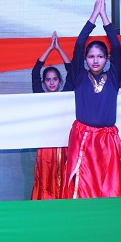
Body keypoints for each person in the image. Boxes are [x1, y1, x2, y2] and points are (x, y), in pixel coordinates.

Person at [62, 0, 121, 199]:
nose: (95, 60)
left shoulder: (113, 78)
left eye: (100, 56)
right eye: (91, 56)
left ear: (106, 59)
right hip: (83, 137)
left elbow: (116, 47)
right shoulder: (79, 77)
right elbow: (78, 45)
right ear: (86, 59)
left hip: (107, 140)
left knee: (108, 188)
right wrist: (93, 16)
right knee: (82, 188)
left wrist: (105, 18)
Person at [30, 32, 73, 200]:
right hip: (46, 144)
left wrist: (59, 49)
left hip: (64, 143)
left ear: (60, 81)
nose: (52, 82)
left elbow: (71, 71)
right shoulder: (40, 96)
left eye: (55, 79)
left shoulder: (66, 94)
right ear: (44, 83)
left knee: (64, 175)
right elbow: (35, 71)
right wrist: (49, 48)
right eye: (48, 79)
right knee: (46, 176)